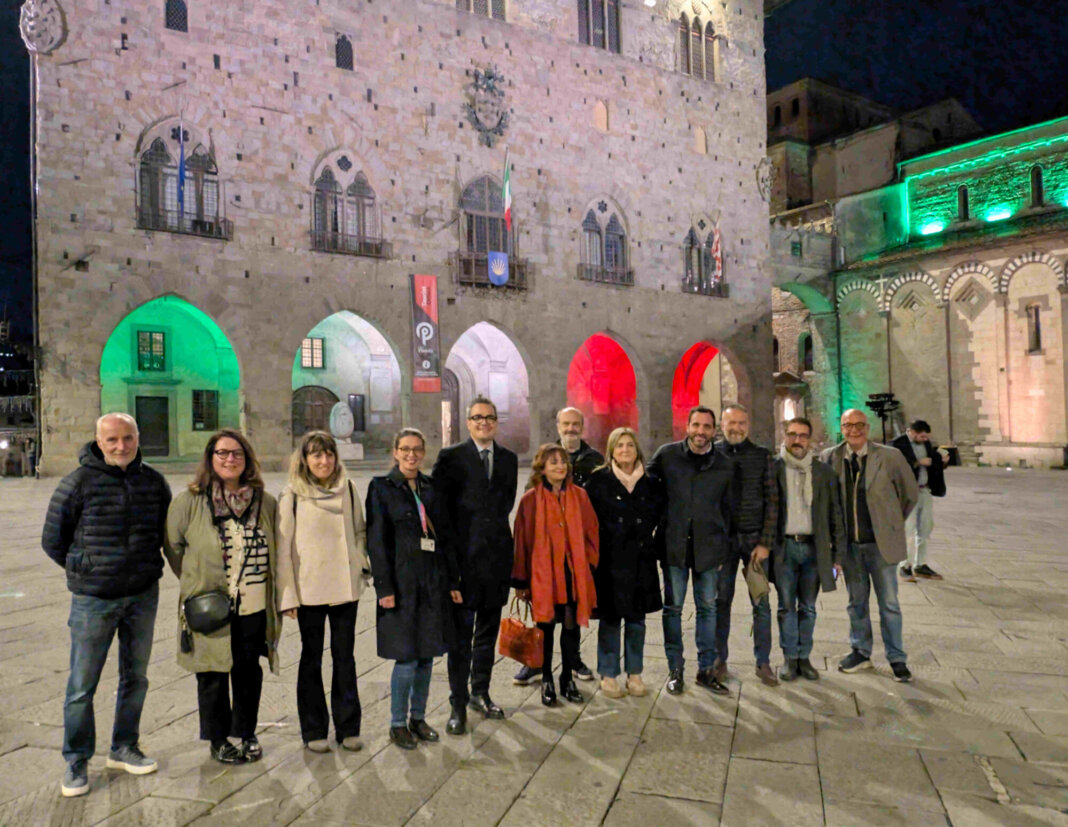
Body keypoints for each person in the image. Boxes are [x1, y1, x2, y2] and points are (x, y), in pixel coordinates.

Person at [42, 413, 171, 797]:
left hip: (142, 595)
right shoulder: (77, 483)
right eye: (112, 439)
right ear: (99, 442)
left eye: (127, 438)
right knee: (82, 685)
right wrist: (85, 568)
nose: (121, 446)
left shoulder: (152, 481)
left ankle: (123, 747)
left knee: (136, 678)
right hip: (94, 599)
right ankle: (76, 760)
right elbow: (53, 539)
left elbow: (165, 531)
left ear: (137, 438)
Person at [164, 429, 281, 765]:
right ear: (210, 458)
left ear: (247, 460)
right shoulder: (189, 501)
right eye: (222, 453)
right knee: (212, 673)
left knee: (248, 671)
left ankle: (246, 732)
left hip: (254, 603)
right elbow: (174, 548)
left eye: (237, 454)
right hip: (210, 604)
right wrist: (199, 581)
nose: (230, 459)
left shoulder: (265, 502)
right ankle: (217, 738)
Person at [366, 428, 462, 750]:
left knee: (426, 658)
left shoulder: (431, 488)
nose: (411, 455)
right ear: (395, 452)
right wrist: (384, 588)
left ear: (424, 453)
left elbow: (446, 538)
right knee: (405, 659)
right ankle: (397, 723)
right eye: (405, 449)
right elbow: (376, 543)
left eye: (417, 450)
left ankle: (418, 718)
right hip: (401, 585)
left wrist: (452, 583)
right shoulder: (381, 488)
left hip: (432, 583)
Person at [277, 431, 370, 753]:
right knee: (311, 658)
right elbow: (283, 548)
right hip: (308, 590)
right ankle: (314, 729)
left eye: (329, 454)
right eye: (316, 455)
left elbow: (360, 530)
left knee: (345, 657)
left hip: (345, 587)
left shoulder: (349, 489)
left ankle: (348, 728)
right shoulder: (292, 494)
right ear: (304, 459)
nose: (324, 461)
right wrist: (286, 596)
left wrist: (359, 563)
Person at [432, 396, 518, 736]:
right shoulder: (451, 458)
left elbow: (503, 507)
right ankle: (457, 702)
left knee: (486, 635)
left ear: (496, 422)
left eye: (489, 417)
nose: (484, 422)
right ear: (467, 423)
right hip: (462, 565)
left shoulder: (509, 460)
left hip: (495, 562)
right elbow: (441, 516)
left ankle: (480, 692)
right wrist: (450, 572)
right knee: (460, 640)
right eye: (477, 417)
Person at [821, 409, 919, 682]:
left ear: (868, 427)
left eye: (859, 425)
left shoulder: (890, 457)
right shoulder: (830, 457)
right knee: (856, 603)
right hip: (850, 547)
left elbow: (909, 494)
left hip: (880, 546)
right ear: (841, 428)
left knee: (889, 603)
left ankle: (897, 658)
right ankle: (861, 651)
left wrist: (890, 522)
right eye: (848, 425)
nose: (854, 430)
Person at [647, 406, 734, 696]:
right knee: (673, 609)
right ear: (687, 426)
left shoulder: (724, 463)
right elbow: (646, 488)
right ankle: (675, 669)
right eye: (696, 425)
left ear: (714, 430)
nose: (700, 431)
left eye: (707, 426)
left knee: (707, 609)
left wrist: (724, 550)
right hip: (674, 547)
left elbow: (729, 510)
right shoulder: (666, 455)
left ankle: (706, 670)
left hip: (709, 550)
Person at [513, 406, 600, 686]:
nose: (571, 428)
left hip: (573, 564)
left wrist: (589, 561)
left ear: (582, 426)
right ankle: (539, 667)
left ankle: (571, 664)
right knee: (545, 621)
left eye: (576, 423)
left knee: (571, 619)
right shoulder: (531, 497)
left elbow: (592, 527)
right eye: (566, 424)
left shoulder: (594, 463)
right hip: (543, 567)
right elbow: (524, 534)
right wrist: (521, 577)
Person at [585, 427, 664, 699]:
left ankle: (635, 674)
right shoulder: (598, 482)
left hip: (641, 559)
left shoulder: (651, 481)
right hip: (610, 560)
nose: (625, 450)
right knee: (610, 619)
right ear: (611, 451)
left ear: (637, 449)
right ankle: (608, 674)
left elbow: (658, 514)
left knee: (636, 620)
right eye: (619, 446)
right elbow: (590, 521)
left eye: (630, 445)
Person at [773, 418, 846, 682]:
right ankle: (789, 659)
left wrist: (838, 556)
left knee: (809, 607)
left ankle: (805, 658)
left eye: (803, 436)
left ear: (810, 439)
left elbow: (836, 514)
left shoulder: (824, 473)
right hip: (784, 548)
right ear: (784, 436)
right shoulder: (773, 469)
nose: (797, 441)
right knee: (785, 607)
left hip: (814, 549)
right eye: (792, 435)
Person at [714, 404, 779, 687]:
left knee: (761, 603)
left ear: (748, 425)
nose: (736, 428)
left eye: (741, 423)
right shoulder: (713, 455)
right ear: (721, 425)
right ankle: (719, 659)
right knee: (720, 602)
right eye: (731, 423)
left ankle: (763, 661)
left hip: (754, 544)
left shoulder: (762, 456)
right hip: (723, 545)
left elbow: (772, 501)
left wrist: (765, 543)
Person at [892, 420, 947, 582]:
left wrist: (942, 460)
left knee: (926, 527)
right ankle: (904, 565)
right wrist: (917, 462)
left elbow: (933, 462)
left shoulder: (926, 443)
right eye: (922, 436)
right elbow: (894, 466)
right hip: (907, 492)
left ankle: (920, 564)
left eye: (926, 437)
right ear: (912, 432)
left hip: (924, 490)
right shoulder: (898, 444)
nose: (924, 439)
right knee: (908, 529)